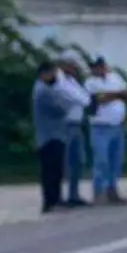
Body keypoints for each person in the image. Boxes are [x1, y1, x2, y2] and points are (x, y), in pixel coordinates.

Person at [30, 61, 85, 213]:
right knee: (51, 171)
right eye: (53, 73)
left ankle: (56, 200)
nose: (55, 77)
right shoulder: (43, 91)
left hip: (55, 134)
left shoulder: (46, 89)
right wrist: (67, 104)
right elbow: (60, 108)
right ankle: (51, 202)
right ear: (44, 74)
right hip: (49, 136)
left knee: (57, 170)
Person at [84, 56, 127, 205]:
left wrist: (112, 95)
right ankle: (99, 191)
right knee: (101, 160)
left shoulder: (115, 78)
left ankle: (112, 189)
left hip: (117, 125)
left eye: (99, 66)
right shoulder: (90, 82)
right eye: (94, 67)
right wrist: (116, 95)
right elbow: (99, 99)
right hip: (100, 126)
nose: (97, 69)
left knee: (116, 160)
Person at [56, 60, 91, 208]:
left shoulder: (72, 81)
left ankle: (74, 194)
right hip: (66, 125)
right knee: (67, 161)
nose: (75, 69)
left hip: (77, 124)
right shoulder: (60, 82)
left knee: (78, 161)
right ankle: (63, 196)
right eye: (71, 66)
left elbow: (86, 98)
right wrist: (85, 99)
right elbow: (82, 99)